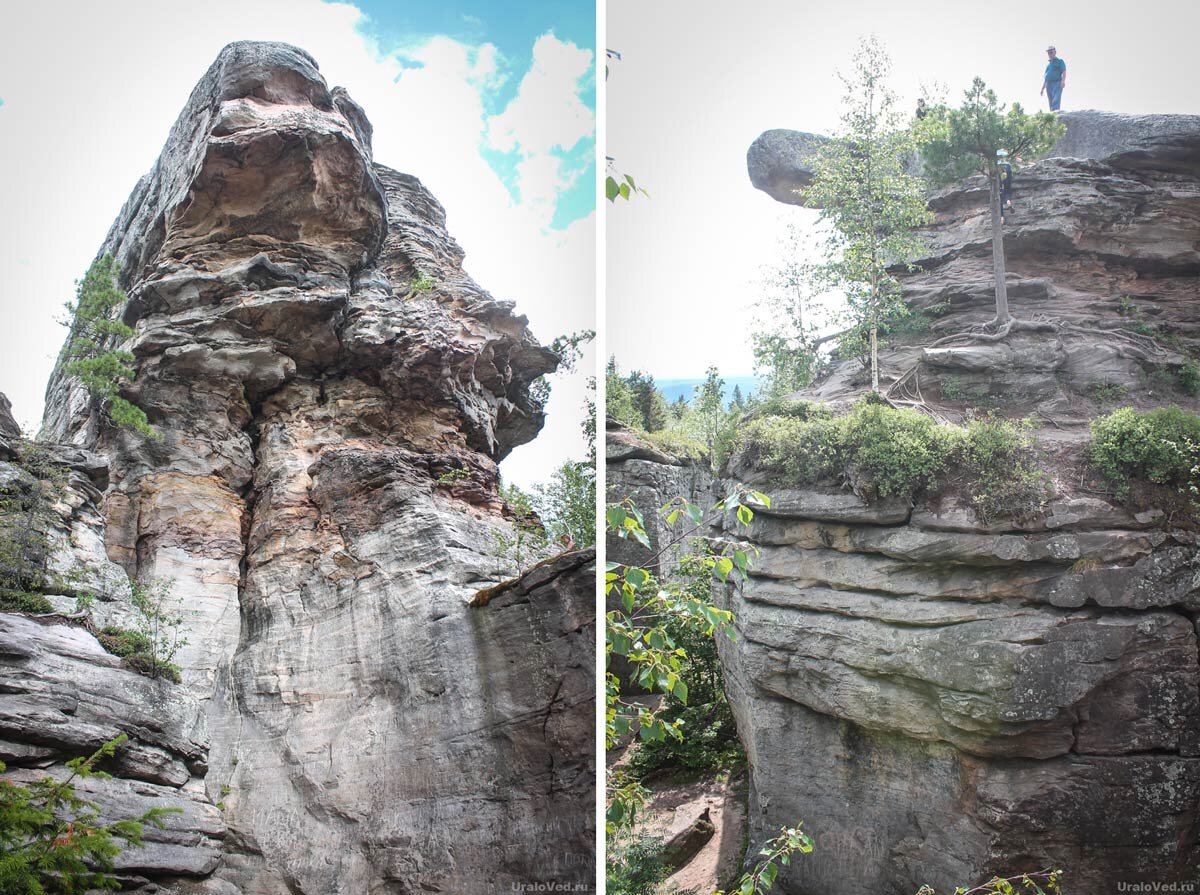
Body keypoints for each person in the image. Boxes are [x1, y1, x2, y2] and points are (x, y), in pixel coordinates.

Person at [1041, 45, 1066, 112]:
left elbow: (1064, 71)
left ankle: (1056, 112)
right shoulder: (1048, 65)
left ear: (1055, 52)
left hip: (1057, 83)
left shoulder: (1060, 61)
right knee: (1051, 100)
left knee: (1056, 99)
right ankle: (1052, 114)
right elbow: (1046, 77)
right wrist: (1042, 88)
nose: (1050, 54)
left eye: (1051, 52)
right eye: (1048, 53)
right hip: (1048, 84)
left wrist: (1063, 81)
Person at [997, 150, 1014, 222]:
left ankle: (1002, 217)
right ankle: (1008, 201)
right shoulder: (1005, 152)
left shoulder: (996, 152)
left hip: (999, 169)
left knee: (1000, 193)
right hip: (1007, 168)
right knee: (1008, 189)